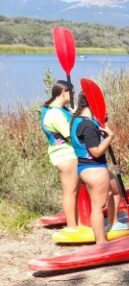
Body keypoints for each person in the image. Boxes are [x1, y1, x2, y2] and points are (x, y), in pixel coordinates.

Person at [71, 93, 126, 244]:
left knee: (116, 189)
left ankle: (113, 223)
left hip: (93, 167)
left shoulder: (81, 120)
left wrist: (103, 124)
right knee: (97, 207)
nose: (104, 107)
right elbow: (95, 151)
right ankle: (101, 242)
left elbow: (92, 137)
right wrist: (109, 138)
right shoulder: (87, 125)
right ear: (91, 104)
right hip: (93, 169)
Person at [40, 80, 79, 230]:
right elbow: (70, 134)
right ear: (64, 93)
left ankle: (78, 223)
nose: (74, 95)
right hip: (66, 156)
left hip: (65, 155)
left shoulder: (60, 109)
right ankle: (72, 227)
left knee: (74, 191)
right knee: (70, 192)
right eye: (72, 92)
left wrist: (75, 114)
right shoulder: (55, 114)